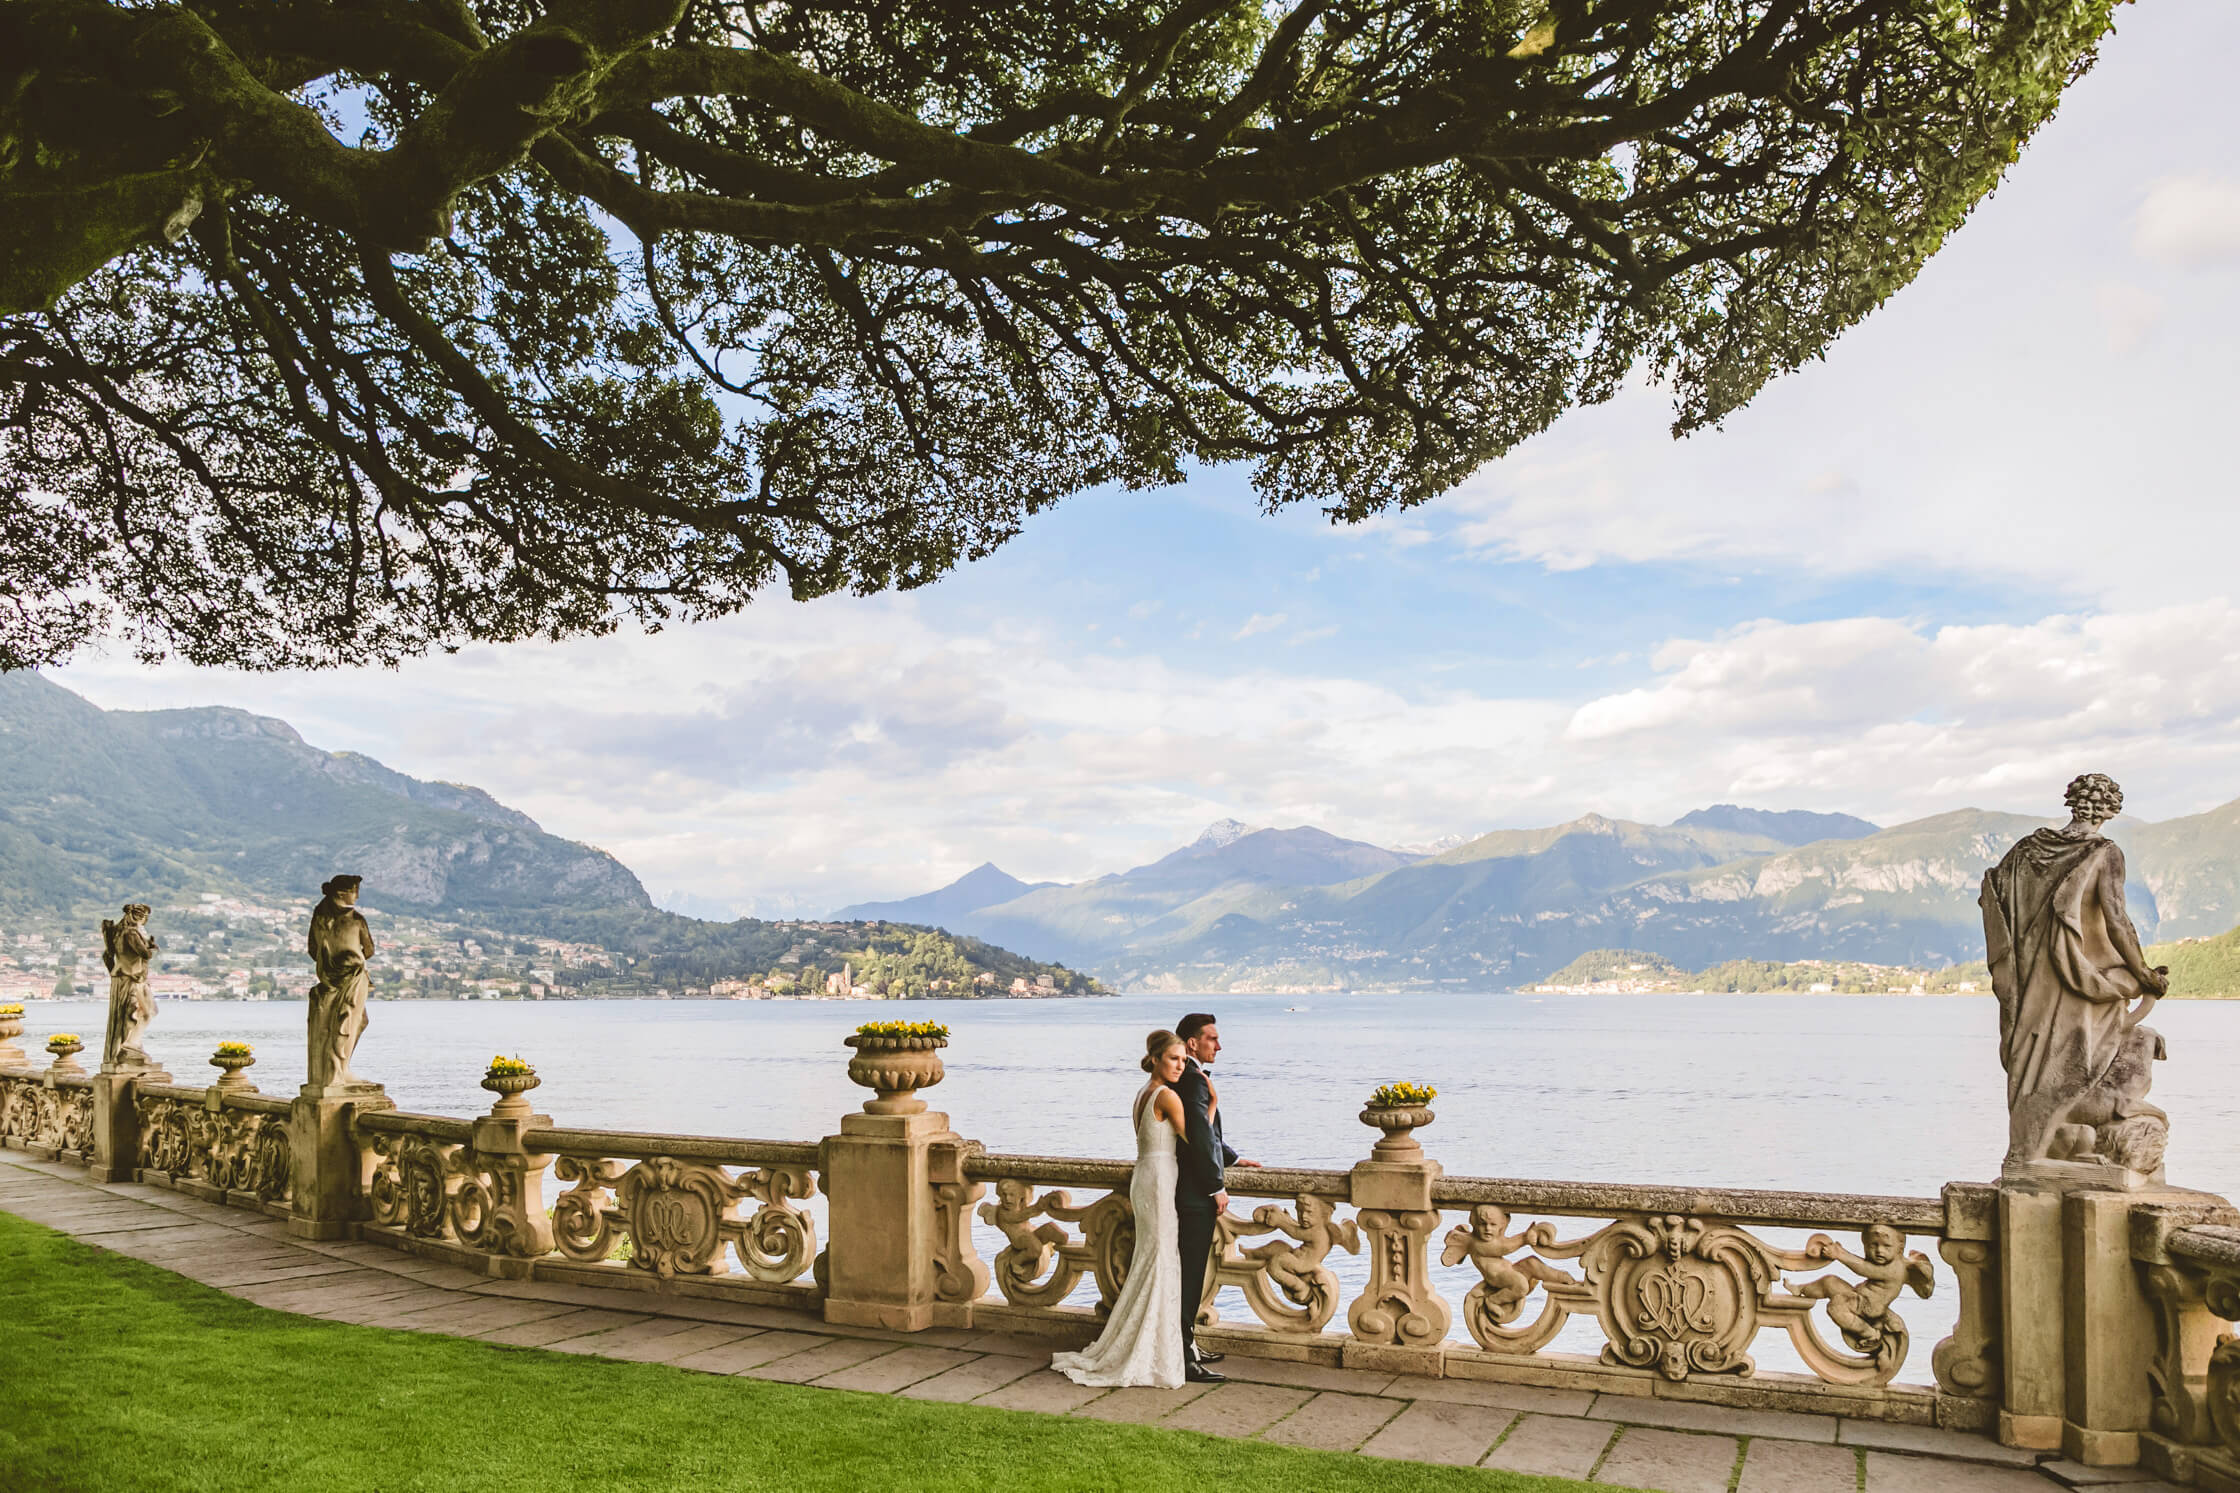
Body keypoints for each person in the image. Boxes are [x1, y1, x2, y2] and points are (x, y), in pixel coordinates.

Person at [1051, 1030, 1193, 1388]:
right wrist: (1212, 1102)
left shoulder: (1143, 1093)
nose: (1181, 1065)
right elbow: (1196, 1139)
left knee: (1151, 1257)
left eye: (1184, 1060)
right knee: (1159, 1259)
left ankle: (1140, 1342)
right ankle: (1149, 1350)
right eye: (1174, 1059)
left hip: (1145, 1174)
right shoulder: (1168, 1097)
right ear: (1157, 1059)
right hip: (1159, 1179)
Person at [1171, 1011, 1260, 1382]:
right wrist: (1216, 1185)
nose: (1218, 1046)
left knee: (1188, 1273)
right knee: (1189, 1276)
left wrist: (1235, 1158)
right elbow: (1198, 1136)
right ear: (1192, 1043)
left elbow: (1206, 1133)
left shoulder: (1189, 1078)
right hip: (1193, 1192)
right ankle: (1184, 1357)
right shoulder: (1192, 1081)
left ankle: (1188, 1344)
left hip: (1187, 1187)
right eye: (1212, 1039)